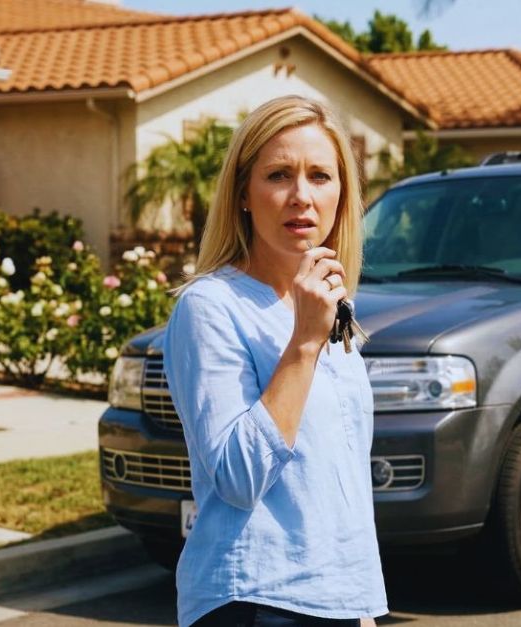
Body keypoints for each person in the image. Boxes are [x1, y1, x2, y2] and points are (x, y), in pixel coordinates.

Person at [162, 95, 386, 626]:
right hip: (257, 601)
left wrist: (361, 608)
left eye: (320, 176)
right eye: (280, 174)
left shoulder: (332, 307)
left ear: (342, 194)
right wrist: (304, 345)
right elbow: (237, 477)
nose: (301, 196)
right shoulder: (210, 308)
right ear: (243, 193)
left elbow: (341, 479)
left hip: (338, 602)